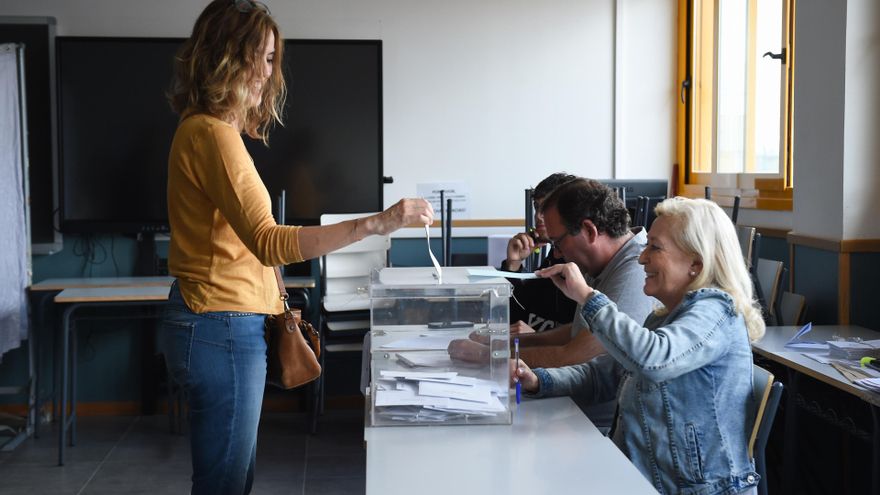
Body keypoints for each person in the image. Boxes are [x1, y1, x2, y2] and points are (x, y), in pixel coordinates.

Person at [159, 2, 433, 494]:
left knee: (230, 479)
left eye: (271, 59)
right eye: (258, 57)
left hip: (216, 319)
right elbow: (268, 241)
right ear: (225, 57)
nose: (268, 73)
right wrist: (379, 222)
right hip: (220, 323)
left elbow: (244, 243)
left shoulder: (203, 130)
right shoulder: (214, 136)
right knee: (224, 484)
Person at [514, 197, 765, 495]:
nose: (642, 258)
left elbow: (654, 360)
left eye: (654, 247)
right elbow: (602, 375)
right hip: (641, 478)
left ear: (696, 263)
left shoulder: (716, 312)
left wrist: (588, 297)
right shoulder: (662, 319)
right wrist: (537, 379)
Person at [501, 172, 577, 332]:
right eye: (537, 207)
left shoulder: (582, 265)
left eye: (548, 207)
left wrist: (536, 337)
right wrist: (513, 265)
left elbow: (579, 341)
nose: (538, 216)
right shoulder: (552, 259)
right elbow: (513, 316)